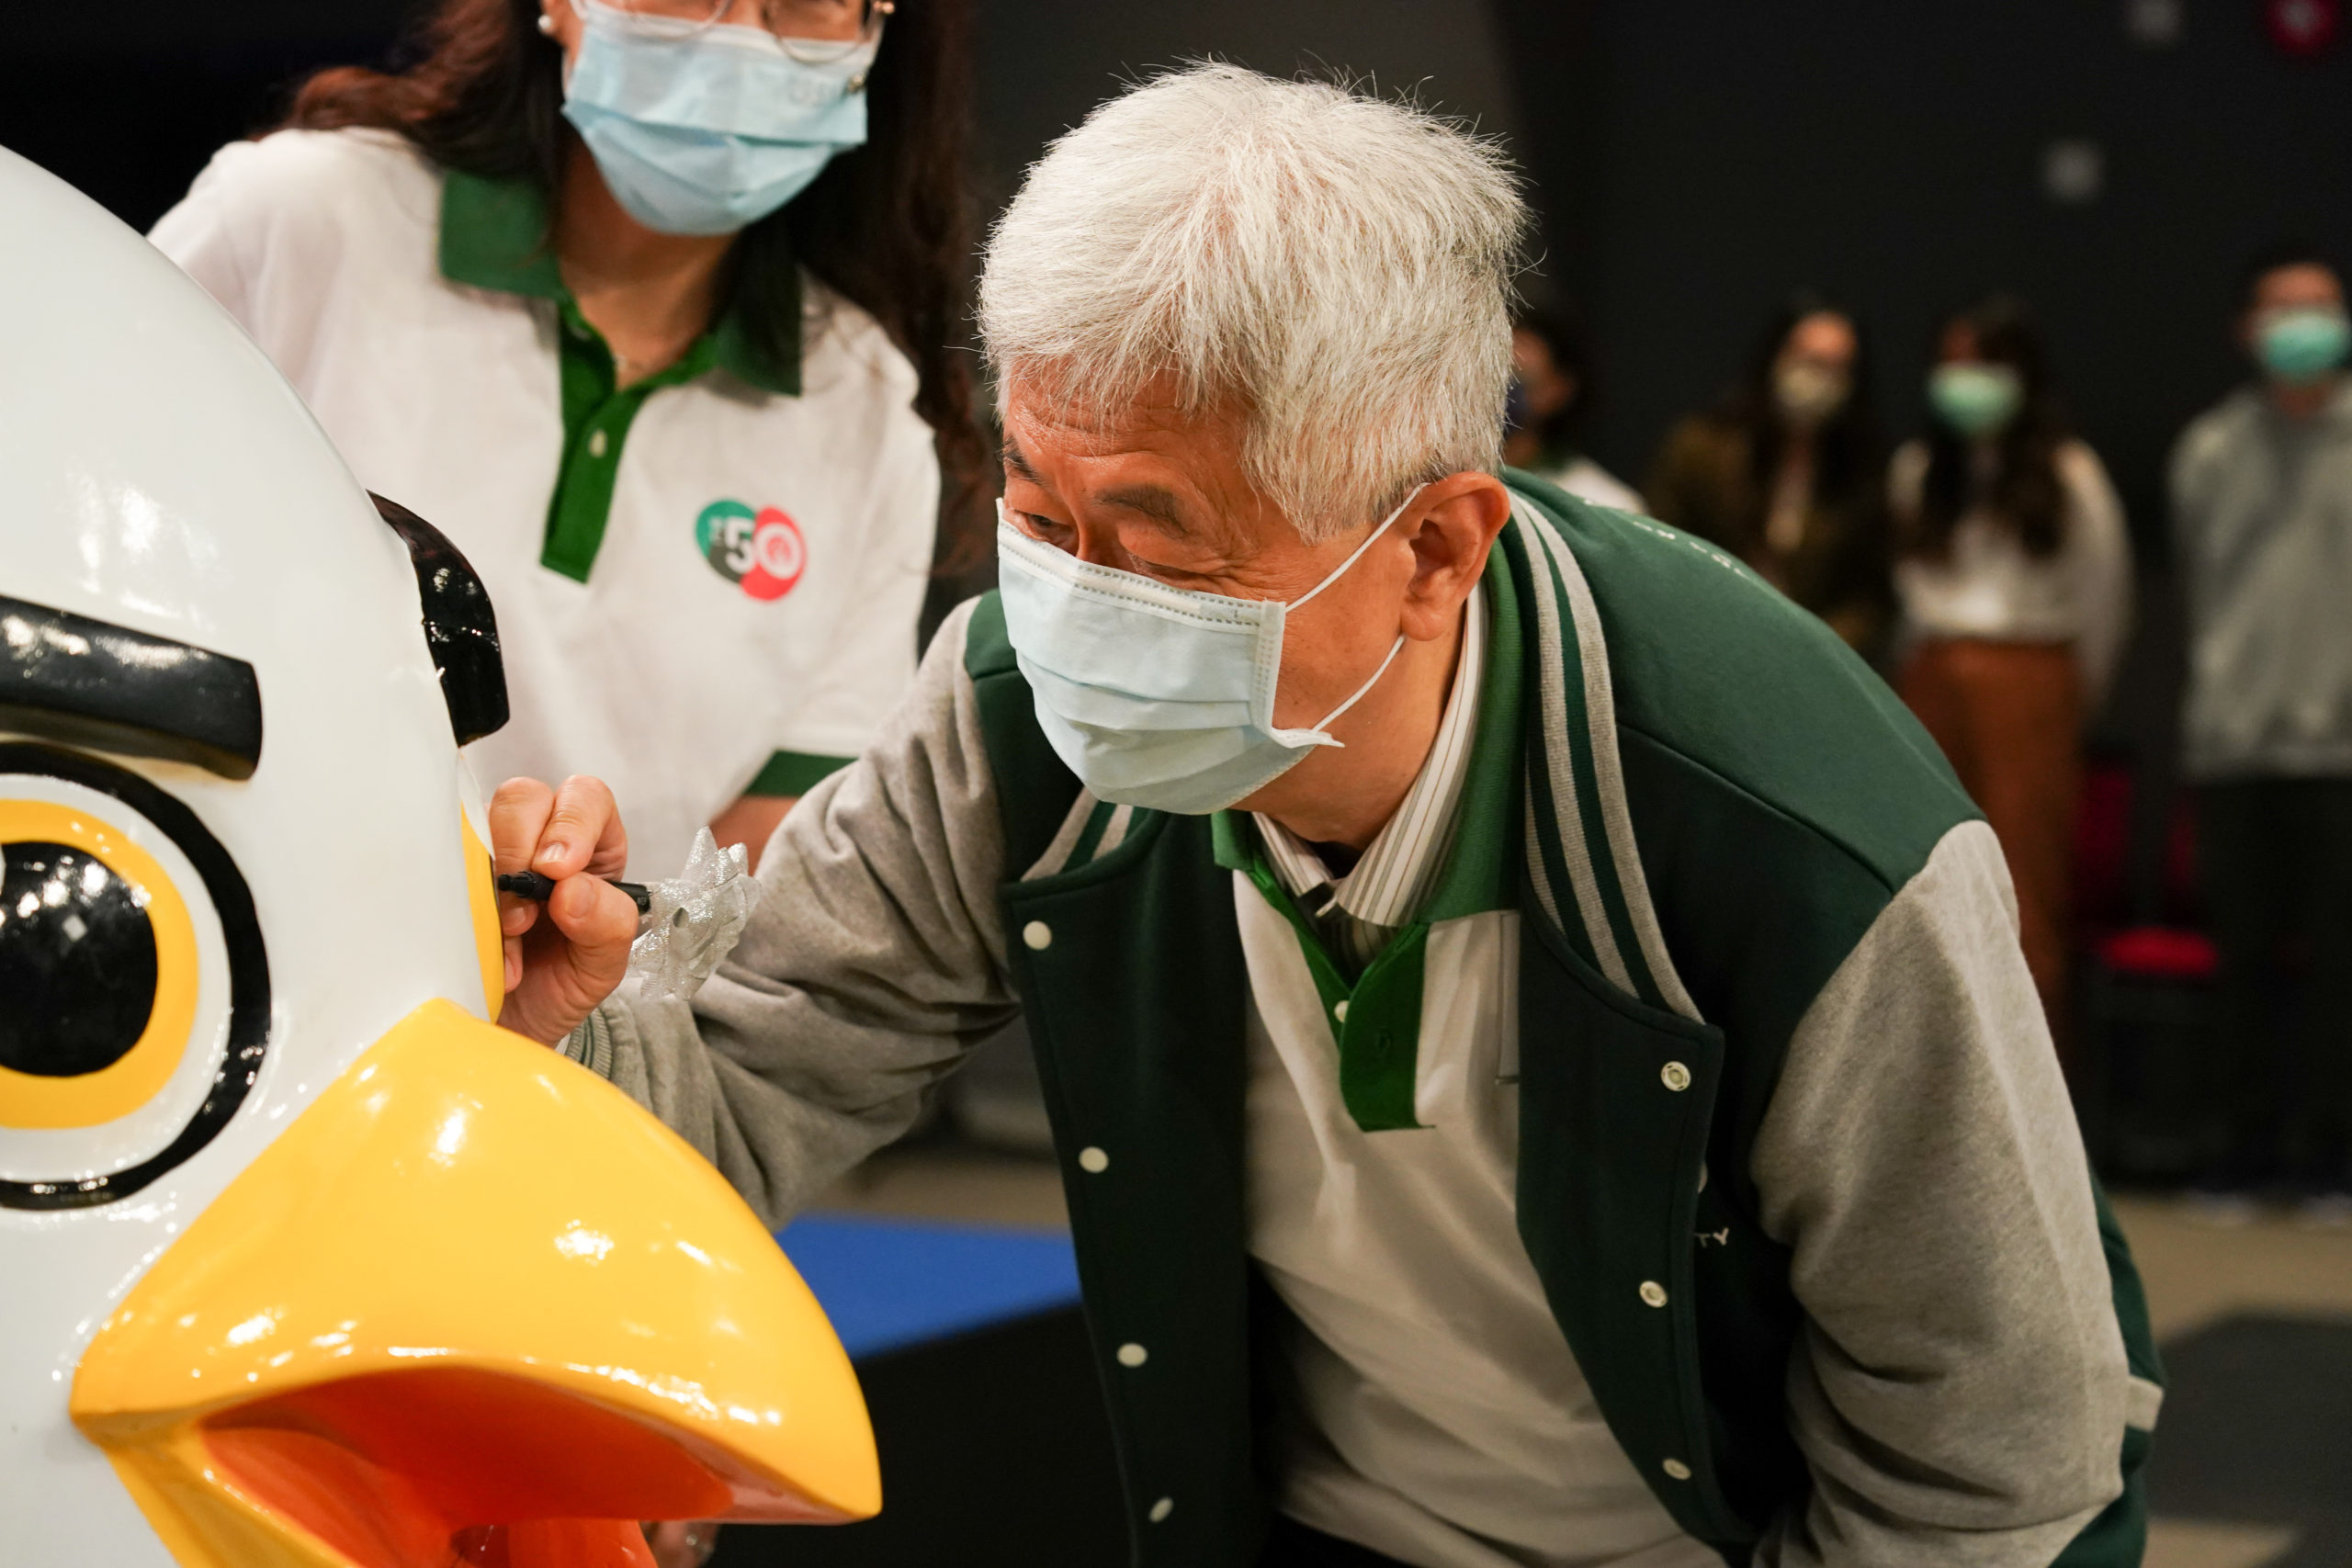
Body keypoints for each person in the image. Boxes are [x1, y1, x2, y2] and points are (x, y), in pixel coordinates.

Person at [489, 66, 2158, 1568]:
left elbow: (1992, 1463)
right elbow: (747, 1078)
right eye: (1040, 512)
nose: (1075, 601)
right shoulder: (1007, 719)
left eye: (1159, 541)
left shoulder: (1787, 839)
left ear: (1434, 549)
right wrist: (569, 1027)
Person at [151, 0, 984, 879]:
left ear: (877, 33)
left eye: (807, 0)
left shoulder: (866, 409)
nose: (741, 38)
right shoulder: (295, 221)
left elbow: (767, 875)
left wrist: (593, 951)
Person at [1889, 295, 2132, 1058]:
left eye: (1986, 363)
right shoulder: (1919, 471)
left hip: (2032, 676)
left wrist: (2058, 698)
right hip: (1931, 674)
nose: (1967, 379)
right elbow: (1905, 596)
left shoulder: (2069, 473)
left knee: (2027, 889)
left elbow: (2105, 599)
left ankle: (2032, 1083)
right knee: (1924, 880)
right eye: (1954, 362)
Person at [2171, 241, 2352, 1213]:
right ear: (2248, 328)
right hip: (2235, 746)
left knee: (2340, 965)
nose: (2303, 327)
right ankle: (2237, 1149)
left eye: (2320, 306)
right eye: (2284, 309)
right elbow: (2200, 589)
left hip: (2342, 753)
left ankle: (2329, 1156)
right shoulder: (2210, 451)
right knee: (2239, 961)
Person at [1645, 297, 1892, 653]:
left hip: (1807, 659)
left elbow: (1869, 597)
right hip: (1703, 639)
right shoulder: (1701, 449)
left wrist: (1817, 646)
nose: (1818, 378)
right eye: (1808, 359)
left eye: (1835, 367)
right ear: (1775, 356)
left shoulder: (1860, 475)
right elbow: (1659, 548)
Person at [1503, 306, 1643, 512]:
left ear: (1558, 389)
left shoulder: (1602, 503)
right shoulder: (1452, 477)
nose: (1498, 392)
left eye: (1515, 377)